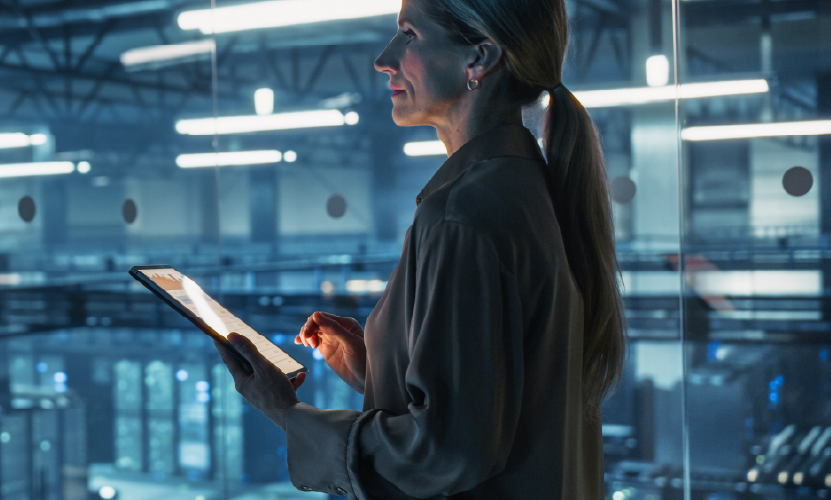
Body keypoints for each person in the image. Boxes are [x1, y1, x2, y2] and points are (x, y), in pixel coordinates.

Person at [209, 0, 627, 497]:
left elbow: (446, 451)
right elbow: (500, 398)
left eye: (409, 35)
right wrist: (377, 367)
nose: (384, 59)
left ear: (479, 59)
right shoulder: (526, 188)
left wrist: (285, 411)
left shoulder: (463, 214)